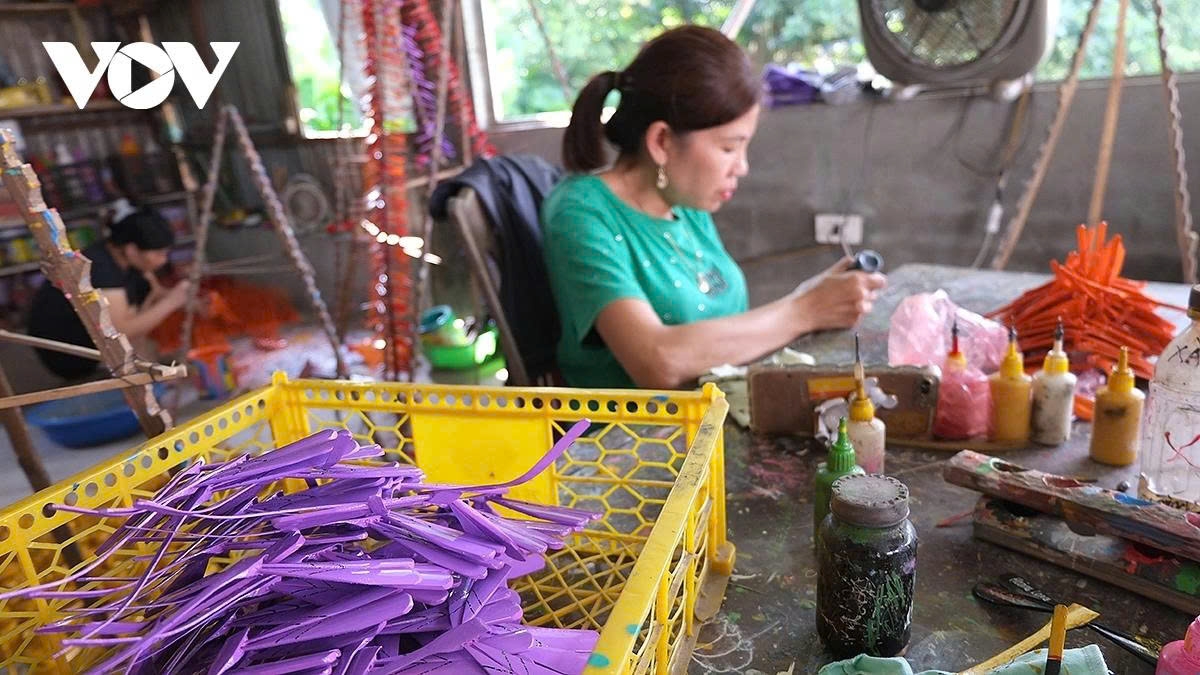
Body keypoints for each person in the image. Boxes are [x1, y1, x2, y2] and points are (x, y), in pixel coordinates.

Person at [541, 25, 888, 390]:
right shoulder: (580, 213)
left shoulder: (685, 206)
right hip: (633, 440)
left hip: (712, 417)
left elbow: (723, 331)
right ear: (661, 141)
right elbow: (658, 361)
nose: (742, 167)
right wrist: (805, 311)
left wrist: (811, 299)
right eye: (728, 148)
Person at [27, 200, 192, 379]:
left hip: (98, 343)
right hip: (74, 357)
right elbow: (122, 330)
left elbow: (156, 291)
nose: (163, 260)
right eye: (159, 254)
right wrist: (173, 301)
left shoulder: (125, 259)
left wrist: (192, 301)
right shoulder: (101, 269)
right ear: (131, 250)